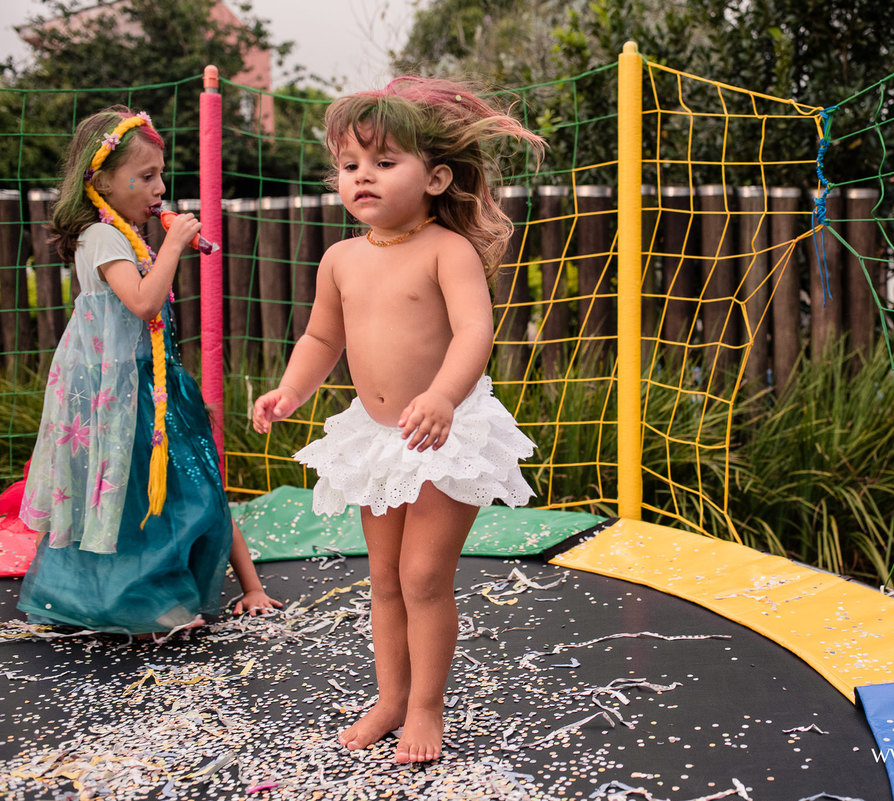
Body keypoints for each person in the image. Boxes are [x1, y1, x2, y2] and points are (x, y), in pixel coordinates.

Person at [252, 77, 543, 764]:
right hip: (378, 439)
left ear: (436, 177)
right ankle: (390, 698)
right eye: (350, 164)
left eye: (384, 162)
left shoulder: (447, 249)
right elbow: (322, 338)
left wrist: (443, 395)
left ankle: (425, 708)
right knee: (383, 580)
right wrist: (290, 391)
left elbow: (474, 331)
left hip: (445, 433)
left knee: (422, 578)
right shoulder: (341, 259)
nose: (363, 176)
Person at [18, 107, 280, 636]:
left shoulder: (128, 236)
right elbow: (142, 302)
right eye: (146, 176)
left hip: (153, 385)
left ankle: (248, 585)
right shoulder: (101, 237)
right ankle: (134, 600)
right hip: (119, 392)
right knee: (132, 497)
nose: (160, 187)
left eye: (161, 174)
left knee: (200, 480)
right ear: (101, 182)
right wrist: (175, 245)